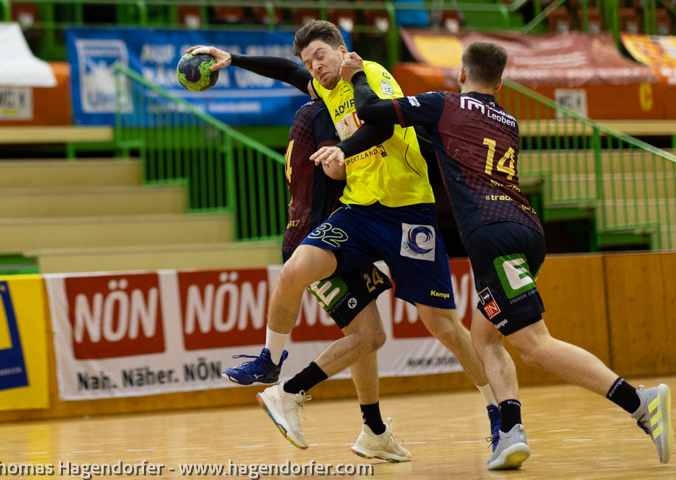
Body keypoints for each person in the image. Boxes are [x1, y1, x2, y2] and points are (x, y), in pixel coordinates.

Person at [313, 41, 673, 470]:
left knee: (534, 345)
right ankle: (511, 433)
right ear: (500, 84)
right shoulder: (508, 120)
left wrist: (356, 75)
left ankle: (640, 402)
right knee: (484, 338)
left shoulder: (444, 104)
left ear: (461, 74)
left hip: (491, 234)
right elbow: (453, 145)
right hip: (527, 229)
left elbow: (372, 111)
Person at [187, 19, 500, 455]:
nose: (314, 67)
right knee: (295, 269)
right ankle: (270, 362)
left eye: (320, 56)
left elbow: (383, 125)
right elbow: (287, 71)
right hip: (360, 212)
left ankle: (496, 413)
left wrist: (342, 149)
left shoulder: (369, 73)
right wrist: (233, 59)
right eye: (309, 61)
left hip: (409, 212)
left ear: (341, 50)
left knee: (443, 326)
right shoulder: (324, 87)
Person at [229, 95, 412, 461]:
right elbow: (334, 169)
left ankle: (374, 431)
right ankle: (287, 391)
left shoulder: (305, 112)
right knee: (370, 336)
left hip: (327, 234)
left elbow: (291, 72)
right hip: (323, 238)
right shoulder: (329, 114)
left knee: (365, 335)